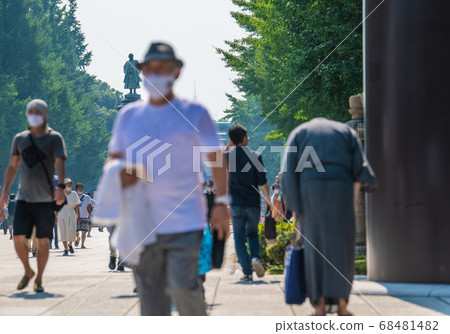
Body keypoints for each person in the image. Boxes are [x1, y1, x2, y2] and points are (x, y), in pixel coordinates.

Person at [107, 42, 229, 316]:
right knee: (151, 301)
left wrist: (222, 202)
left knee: (185, 288)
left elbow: (216, 158)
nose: (156, 73)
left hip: (185, 220)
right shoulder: (129, 116)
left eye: (163, 67)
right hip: (142, 222)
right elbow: (115, 159)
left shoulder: (195, 112)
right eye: (150, 68)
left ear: (176, 72)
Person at [280, 117, 376, 316]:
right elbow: (359, 170)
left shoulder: (299, 133)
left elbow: (288, 172)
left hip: (310, 191)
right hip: (341, 188)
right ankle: (342, 305)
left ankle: (320, 306)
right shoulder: (346, 132)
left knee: (313, 249)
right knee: (343, 248)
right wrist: (352, 204)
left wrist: (295, 207)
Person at [0, 99, 66, 293]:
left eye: (38, 112)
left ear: (45, 115)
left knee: (44, 240)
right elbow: (13, 166)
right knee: (18, 238)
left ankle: (39, 278)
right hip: (23, 198)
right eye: (31, 112)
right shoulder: (20, 139)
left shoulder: (54, 138)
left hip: (45, 199)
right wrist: (4, 192)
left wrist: (60, 187)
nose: (34, 115)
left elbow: (60, 162)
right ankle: (28, 270)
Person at [226, 125, 272, 282]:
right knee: (252, 233)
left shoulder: (227, 157)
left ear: (231, 139)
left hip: (236, 203)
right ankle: (255, 258)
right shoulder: (255, 155)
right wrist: (268, 199)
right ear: (244, 137)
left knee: (238, 237)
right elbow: (262, 180)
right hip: (253, 202)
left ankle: (246, 272)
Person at [59, 178, 80, 256]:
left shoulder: (74, 193)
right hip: (62, 213)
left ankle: (70, 244)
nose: (69, 185)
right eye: (67, 184)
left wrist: (79, 216)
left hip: (71, 212)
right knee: (63, 231)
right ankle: (65, 249)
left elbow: (77, 205)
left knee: (72, 230)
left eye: (70, 184)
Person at [75, 183, 93, 248]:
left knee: (84, 231)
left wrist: (89, 215)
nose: (80, 189)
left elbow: (89, 207)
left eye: (81, 188)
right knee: (75, 231)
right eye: (79, 188)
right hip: (76, 217)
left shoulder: (86, 197)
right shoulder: (74, 196)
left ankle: (82, 244)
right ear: (76, 189)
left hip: (85, 216)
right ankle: (78, 238)